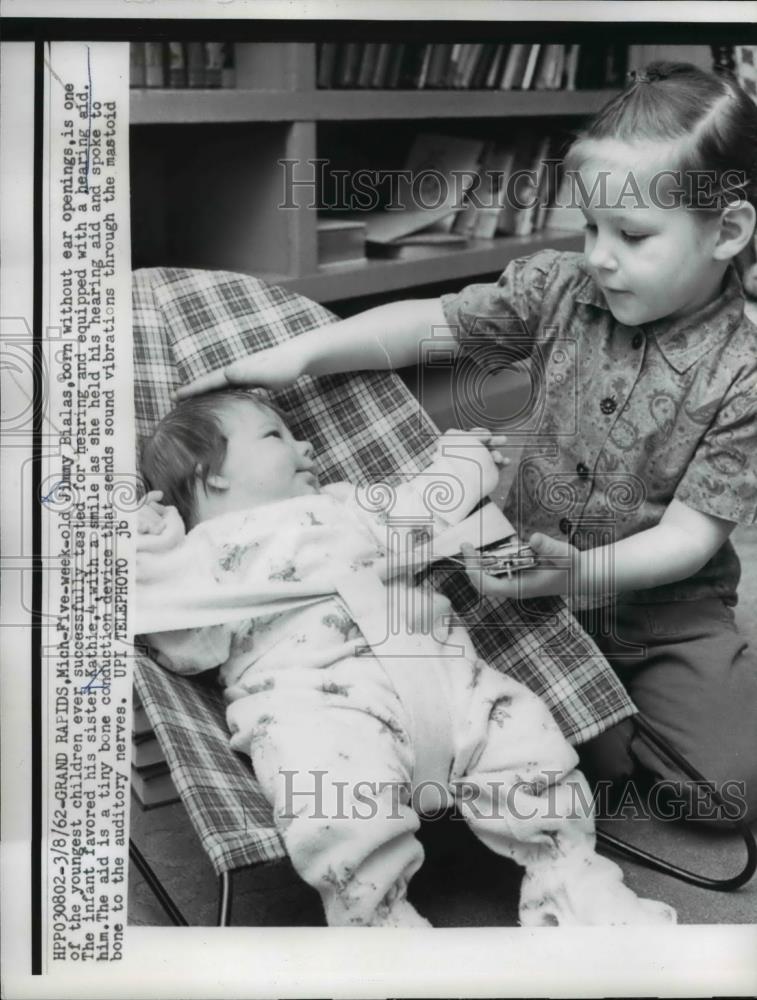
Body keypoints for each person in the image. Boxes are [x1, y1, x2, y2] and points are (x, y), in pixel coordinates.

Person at [175, 63, 757, 823]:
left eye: (633, 235)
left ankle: (688, 700)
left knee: (719, 795)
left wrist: (581, 574)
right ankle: (615, 729)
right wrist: (302, 353)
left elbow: (687, 536)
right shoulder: (558, 287)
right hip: (520, 586)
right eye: (589, 227)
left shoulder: (742, 373)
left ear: (729, 232)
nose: (599, 256)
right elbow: (428, 323)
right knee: (497, 741)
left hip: (665, 611)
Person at [135, 389, 675, 927]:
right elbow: (185, 647)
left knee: (528, 740)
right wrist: (146, 549)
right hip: (319, 701)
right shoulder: (197, 556)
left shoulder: (345, 504)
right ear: (212, 475)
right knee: (328, 793)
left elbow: (427, 504)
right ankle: (377, 922)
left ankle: (574, 879)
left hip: (451, 681)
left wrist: (464, 457)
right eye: (276, 435)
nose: (305, 446)